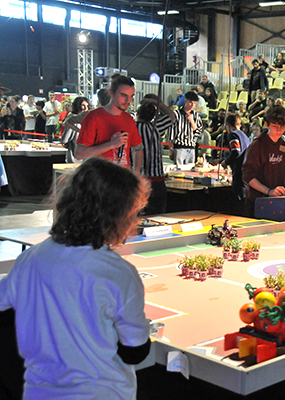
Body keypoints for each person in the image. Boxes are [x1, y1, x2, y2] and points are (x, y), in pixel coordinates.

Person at [0, 157, 152, 400]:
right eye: (134, 214)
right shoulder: (119, 274)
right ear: (113, 216)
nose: (136, 222)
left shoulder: (30, 259)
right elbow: (135, 350)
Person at [76, 75, 143, 172]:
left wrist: (136, 174)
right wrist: (111, 145)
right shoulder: (94, 117)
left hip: (121, 180)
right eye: (124, 95)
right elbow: (79, 154)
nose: (128, 101)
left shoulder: (128, 119)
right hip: (99, 180)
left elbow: (139, 148)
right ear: (112, 93)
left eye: (131, 96)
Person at [242, 105, 285, 217]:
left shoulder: (283, 146)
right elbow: (247, 176)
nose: (279, 130)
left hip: (276, 201)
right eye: (275, 126)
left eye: (282, 126)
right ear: (267, 124)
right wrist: (269, 191)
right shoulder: (257, 145)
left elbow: (282, 175)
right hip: (257, 201)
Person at [136, 94, 176, 215]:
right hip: (157, 181)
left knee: (138, 217)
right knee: (158, 216)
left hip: (138, 180)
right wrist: (155, 102)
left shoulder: (131, 128)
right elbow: (172, 115)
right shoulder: (155, 127)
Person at [221, 114, 251, 213]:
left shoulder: (232, 135)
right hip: (247, 169)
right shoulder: (245, 136)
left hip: (239, 169)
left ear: (228, 125)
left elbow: (236, 151)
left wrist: (226, 162)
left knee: (239, 198)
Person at [166, 91, 203, 169]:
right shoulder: (176, 114)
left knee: (190, 171)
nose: (192, 105)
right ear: (185, 101)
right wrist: (170, 149)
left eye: (195, 103)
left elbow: (198, 131)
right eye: (191, 103)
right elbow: (170, 133)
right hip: (179, 148)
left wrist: (192, 121)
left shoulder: (196, 116)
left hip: (192, 148)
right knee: (178, 170)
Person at [61, 96, 90, 163]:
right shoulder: (80, 119)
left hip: (76, 157)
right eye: (83, 105)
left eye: (87, 105)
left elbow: (65, 140)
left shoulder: (73, 118)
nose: (86, 108)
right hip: (80, 157)